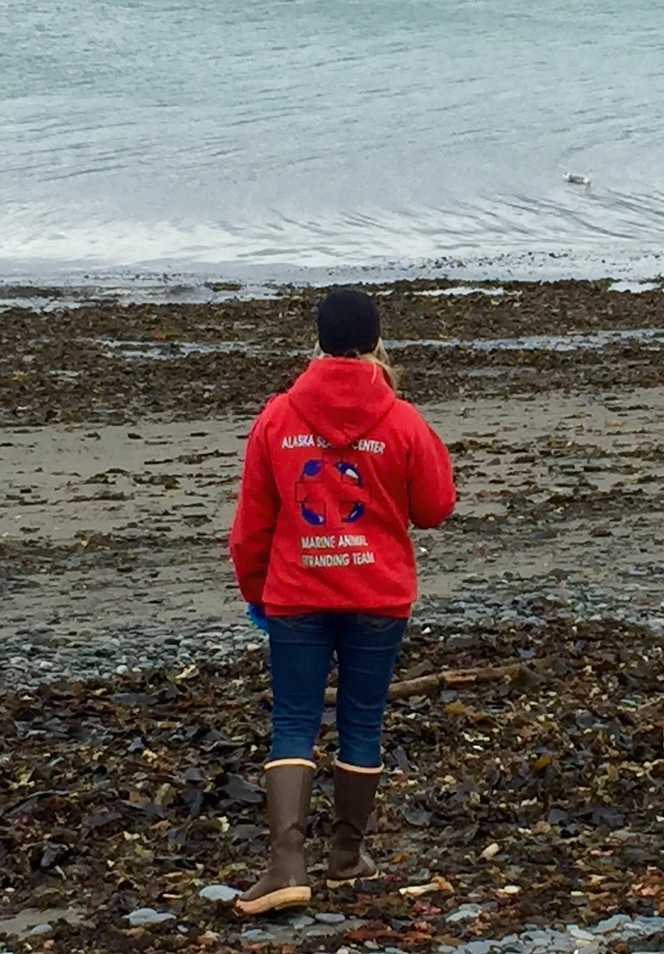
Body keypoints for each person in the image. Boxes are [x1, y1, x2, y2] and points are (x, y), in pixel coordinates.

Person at [228, 288, 456, 916]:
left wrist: (257, 595)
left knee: (294, 720)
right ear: (377, 341)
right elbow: (436, 506)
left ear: (320, 341)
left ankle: (286, 866)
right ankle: (348, 857)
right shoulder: (401, 418)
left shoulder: (278, 417)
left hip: (297, 595)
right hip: (377, 595)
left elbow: (251, 526)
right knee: (362, 719)